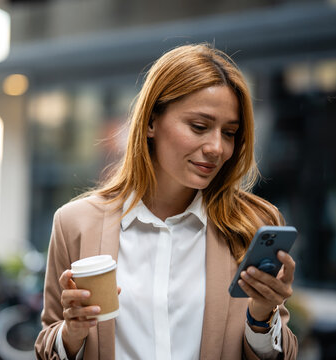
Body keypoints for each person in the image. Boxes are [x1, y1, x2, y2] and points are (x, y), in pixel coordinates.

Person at [35, 43, 298, 360]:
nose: (217, 147)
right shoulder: (76, 223)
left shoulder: (254, 224)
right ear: (150, 122)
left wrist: (261, 317)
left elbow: (283, 354)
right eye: (199, 127)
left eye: (229, 132)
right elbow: (49, 343)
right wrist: (71, 333)